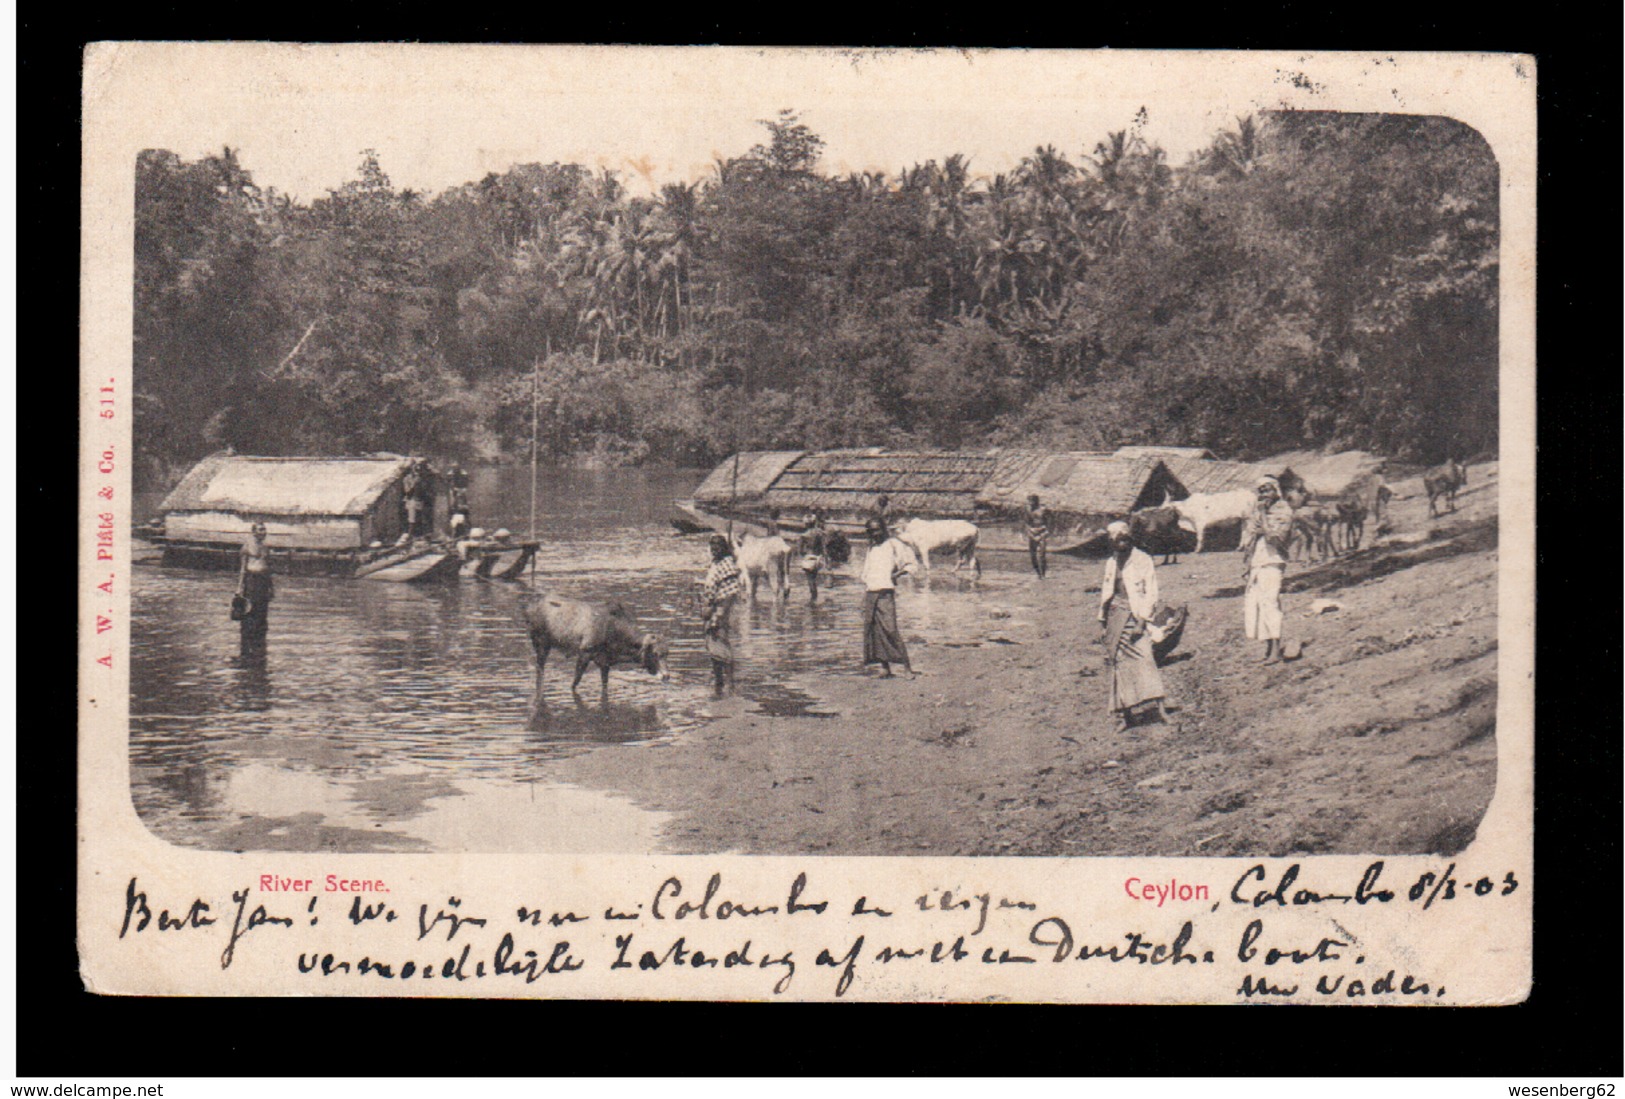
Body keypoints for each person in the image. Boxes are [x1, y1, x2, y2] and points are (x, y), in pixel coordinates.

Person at [1096, 520, 1169, 731]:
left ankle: (1160, 709)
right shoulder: (1111, 562)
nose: (1121, 544)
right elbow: (1106, 593)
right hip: (1115, 615)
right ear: (1112, 542)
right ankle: (1127, 716)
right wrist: (1102, 622)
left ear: (1130, 539)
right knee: (1119, 665)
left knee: (1146, 659)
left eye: (1124, 539)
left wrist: (1141, 622)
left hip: (1135, 614)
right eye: (1116, 540)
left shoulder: (1143, 560)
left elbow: (1151, 592)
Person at [1239, 474, 1294, 663]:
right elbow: (1253, 537)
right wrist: (1248, 565)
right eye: (1260, 491)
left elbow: (1275, 538)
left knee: (1270, 604)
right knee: (1258, 606)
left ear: (1275, 490)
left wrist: (1262, 518)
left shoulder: (1283, 510)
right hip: (1257, 562)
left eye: (1267, 490)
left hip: (1272, 561)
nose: (1264, 494)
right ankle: (1268, 648)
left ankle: (1276, 650)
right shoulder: (1259, 512)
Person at [860, 518, 917, 678]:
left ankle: (907, 668)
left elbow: (911, 563)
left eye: (877, 529)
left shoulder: (894, 544)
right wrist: (864, 596)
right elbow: (866, 573)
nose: (875, 533)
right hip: (871, 591)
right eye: (871, 531)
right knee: (874, 629)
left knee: (890, 629)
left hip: (886, 592)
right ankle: (885, 667)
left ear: (883, 529)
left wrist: (896, 574)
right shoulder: (871, 547)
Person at [699, 534, 744, 698]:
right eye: (712, 547)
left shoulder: (727, 565)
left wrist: (718, 615)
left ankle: (731, 682)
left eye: (718, 546)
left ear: (724, 548)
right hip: (713, 609)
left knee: (723, 644)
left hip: (723, 610)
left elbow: (730, 594)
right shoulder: (715, 564)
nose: (714, 549)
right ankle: (719, 681)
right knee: (713, 646)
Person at [236, 521, 275, 655]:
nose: (263, 532)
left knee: (262, 613)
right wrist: (239, 588)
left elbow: (268, 569)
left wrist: (271, 588)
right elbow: (242, 569)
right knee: (249, 611)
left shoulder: (266, 548)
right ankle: (247, 645)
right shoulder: (247, 547)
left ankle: (260, 644)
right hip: (251, 580)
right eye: (260, 530)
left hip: (263, 581)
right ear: (253, 532)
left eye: (264, 530)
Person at [798, 510, 830, 603]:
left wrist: (804, 553)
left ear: (806, 524)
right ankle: (814, 599)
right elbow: (824, 548)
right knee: (814, 580)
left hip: (808, 558)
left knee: (810, 581)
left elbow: (800, 550)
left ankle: (813, 600)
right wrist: (827, 561)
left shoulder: (804, 535)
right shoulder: (820, 533)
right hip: (817, 559)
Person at [1025, 494, 1050, 579]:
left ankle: (1043, 574)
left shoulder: (1043, 510)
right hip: (1033, 532)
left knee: (1042, 555)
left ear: (1037, 502)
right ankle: (1038, 574)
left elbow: (1049, 521)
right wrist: (1030, 533)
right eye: (1029, 502)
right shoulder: (1028, 510)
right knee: (1033, 556)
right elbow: (1027, 523)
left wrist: (1046, 531)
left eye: (1032, 502)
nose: (1030, 504)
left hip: (1042, 532)